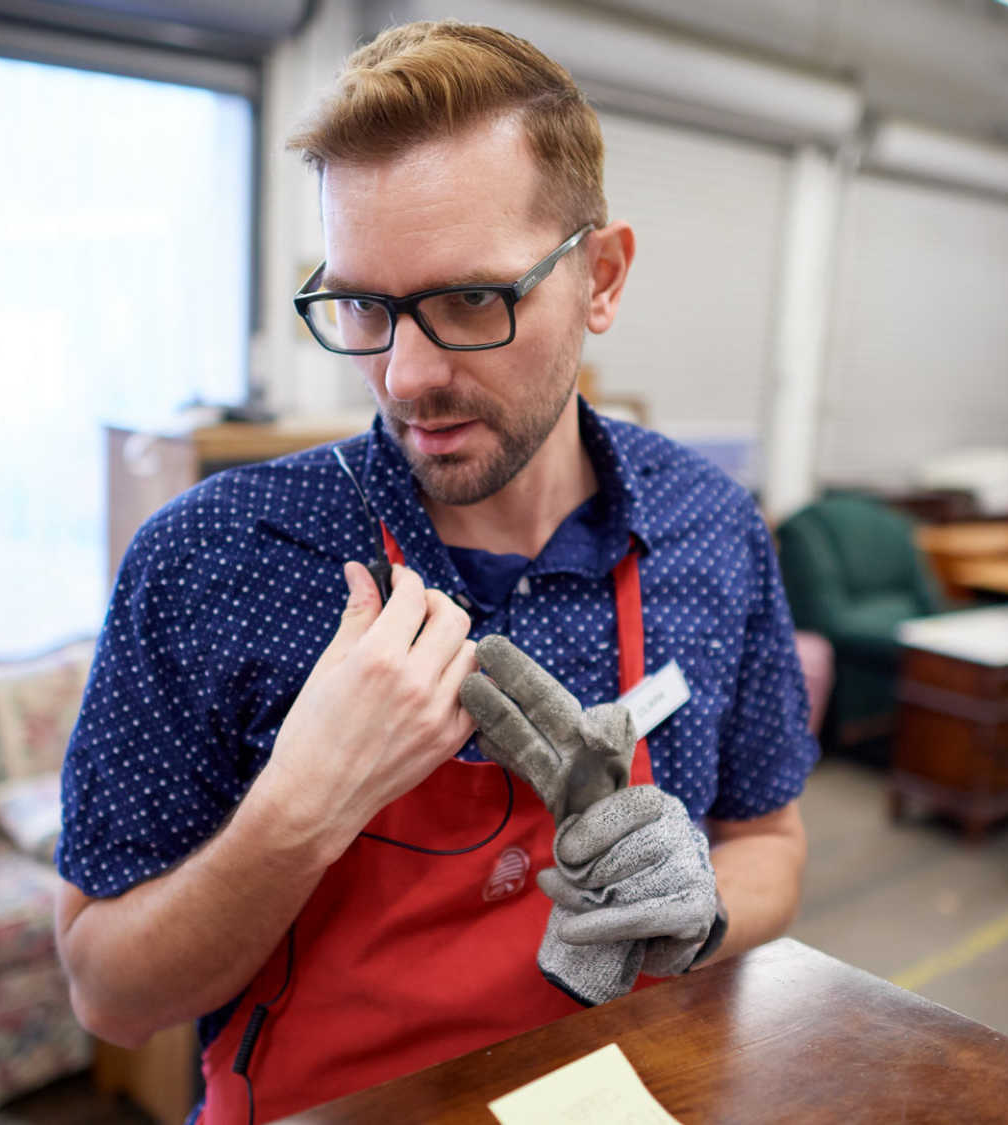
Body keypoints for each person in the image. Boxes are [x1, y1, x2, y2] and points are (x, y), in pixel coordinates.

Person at [52, 21, 817, 1124]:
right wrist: (300, 809)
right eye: (362, 304)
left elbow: (769, 845)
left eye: (470, 300)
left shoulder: (712, 529)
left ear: (599, 278)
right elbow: (110, 994)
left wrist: (696, 914)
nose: (405, 377)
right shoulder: (211, 559)